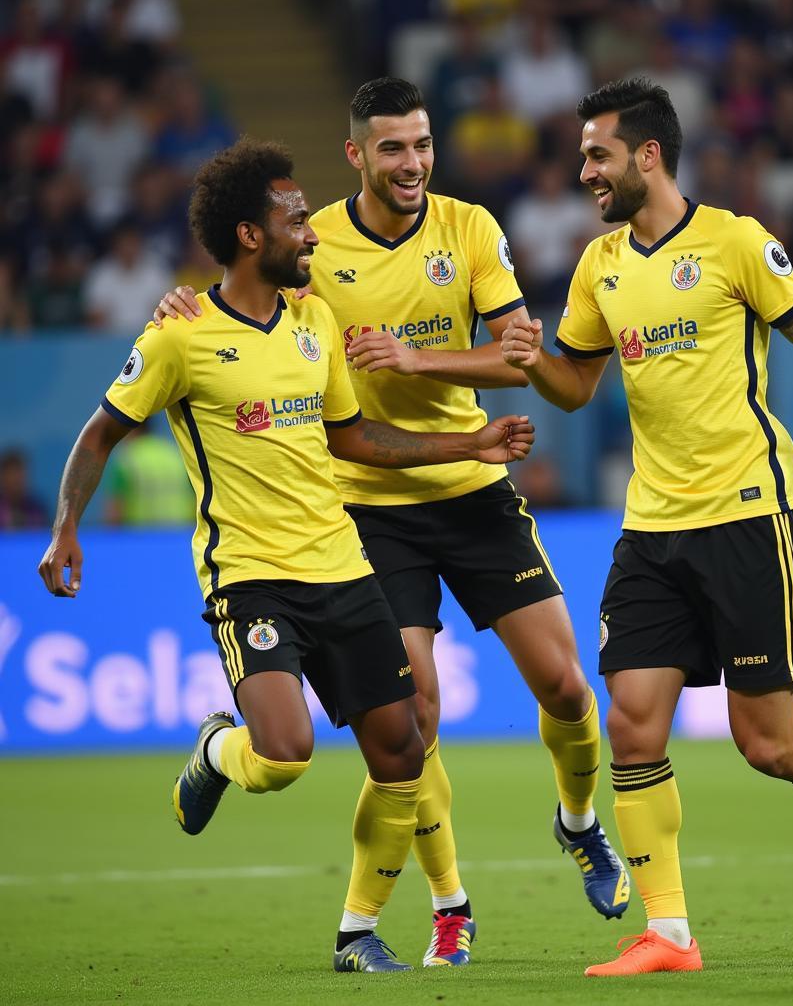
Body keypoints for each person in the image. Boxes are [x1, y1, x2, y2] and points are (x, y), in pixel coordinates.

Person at [154, 77, 630, 968]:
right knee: (414, 714)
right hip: (369, 508)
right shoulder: (313, 243)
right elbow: (240, 301)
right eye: (392, 149)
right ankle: (422, 912)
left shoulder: (469, 228)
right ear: (357, 156)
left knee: (567, 687)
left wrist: (420, 358)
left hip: (469, 478)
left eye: (421, 145)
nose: (411, 164)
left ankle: (579, 823)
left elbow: (519, 352)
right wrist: (178, 302)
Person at [38, 138, 535, 974]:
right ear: (247, 236)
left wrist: (470, 442)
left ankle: (356, 933)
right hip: (251, 579)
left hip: (342, 564)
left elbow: (356, 437)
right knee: (282, 755)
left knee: (403, 750)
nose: (312, 232)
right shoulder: (178, 338)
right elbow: (101, 432)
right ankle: (213, 752)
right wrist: (65, 527)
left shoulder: (314, 321)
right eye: (295, 219)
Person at [501, 78, 793, 977]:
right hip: (652, 527)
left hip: (751, 516)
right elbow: (578, 383)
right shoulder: (600, 266)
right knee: (632, 724)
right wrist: (532, 363)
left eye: (598, 154)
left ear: (649, 155)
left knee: (769, 745)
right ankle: (668, 933)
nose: (584, 170)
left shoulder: (735, 241)